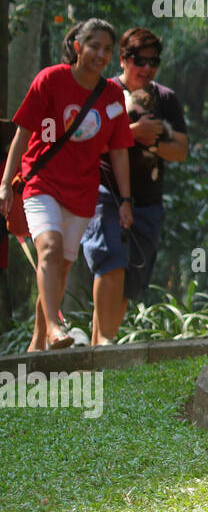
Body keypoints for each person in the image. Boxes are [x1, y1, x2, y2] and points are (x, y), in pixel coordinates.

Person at [1, 19, 134, 351]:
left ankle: (38, 342)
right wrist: (5, 183)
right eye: (93, 46)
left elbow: (119, 152)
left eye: (107, 49)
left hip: (82, 191)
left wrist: (126, 199)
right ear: (77, 47)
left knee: (59, 267)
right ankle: (56, 326)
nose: (100, 54)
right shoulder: (51, 80)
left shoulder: (112, 94)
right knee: (49, 249)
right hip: (41, 181)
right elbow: (23, 135)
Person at [81, 27, 189, 344]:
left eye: (153, 61)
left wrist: (149, 141)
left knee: (130, 277)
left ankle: (102, 345)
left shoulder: (166, 99)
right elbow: (84, 143)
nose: (146, 68)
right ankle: (102, 343)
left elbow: (181, 151)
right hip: (105, 193)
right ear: (124, 59)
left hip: (148, 201)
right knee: (110, 258)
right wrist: (134, 132)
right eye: (140, 60)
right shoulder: (103, 92)